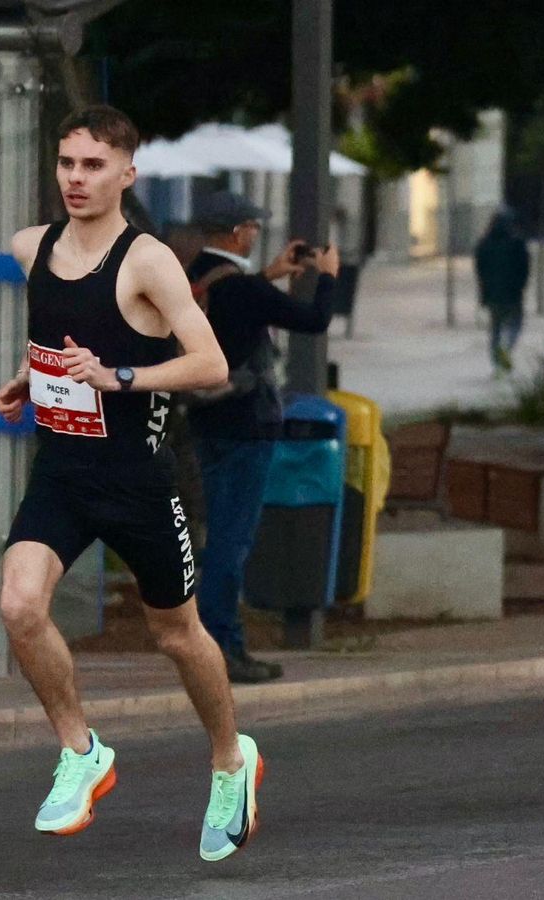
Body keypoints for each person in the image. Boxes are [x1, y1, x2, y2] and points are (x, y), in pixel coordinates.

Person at [0, 105, 261, 861]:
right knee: (18, 604)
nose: (76, 178)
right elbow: (58, 335)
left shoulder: (148, 262)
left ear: (127, 174)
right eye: (67, 163)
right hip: (61, 473)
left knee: (176, 633)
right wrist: (29, 376)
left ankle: (231, 761)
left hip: (137, 480)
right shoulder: (31, 247)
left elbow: (210, 364)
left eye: (94, 165)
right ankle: (82, 752)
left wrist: (120, 377)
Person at [185, 190, 340, 685]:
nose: (255, 234)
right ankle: (221, 649)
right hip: (247, 427)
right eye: (252, 227)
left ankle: (212, 644)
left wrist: (270, 274)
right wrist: (328, 276)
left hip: (206, 422)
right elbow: (314, 321)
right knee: (231, 542)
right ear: (237, 233)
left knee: (219, 534)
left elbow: (232, 306)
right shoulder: (246, 291)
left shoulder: (195, 279)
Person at [474, 209, 531, 373]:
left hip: (492, 294)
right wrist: (521, 286)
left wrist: (484, 291)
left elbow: (480, 270)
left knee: (495, 328)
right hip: (512, 293)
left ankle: (497, 365)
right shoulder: (517, 243)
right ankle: (507, 347)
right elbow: (524, 268)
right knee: (516, 324)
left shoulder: (484, 243)